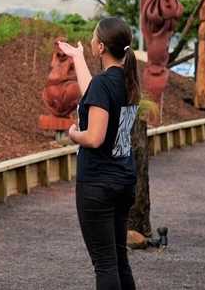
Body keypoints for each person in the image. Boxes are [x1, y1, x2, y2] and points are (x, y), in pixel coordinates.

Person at [58, 17, 140, 290]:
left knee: (104, 264)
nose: (91, 41)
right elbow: (93, 92)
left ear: (101, 47)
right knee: (118, 260)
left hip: (98, 185)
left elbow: (94, 137)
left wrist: (73, 134)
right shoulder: (127, 80)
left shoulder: (105, 85)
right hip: (123, 180)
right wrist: (78, 57)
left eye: (93, 38)